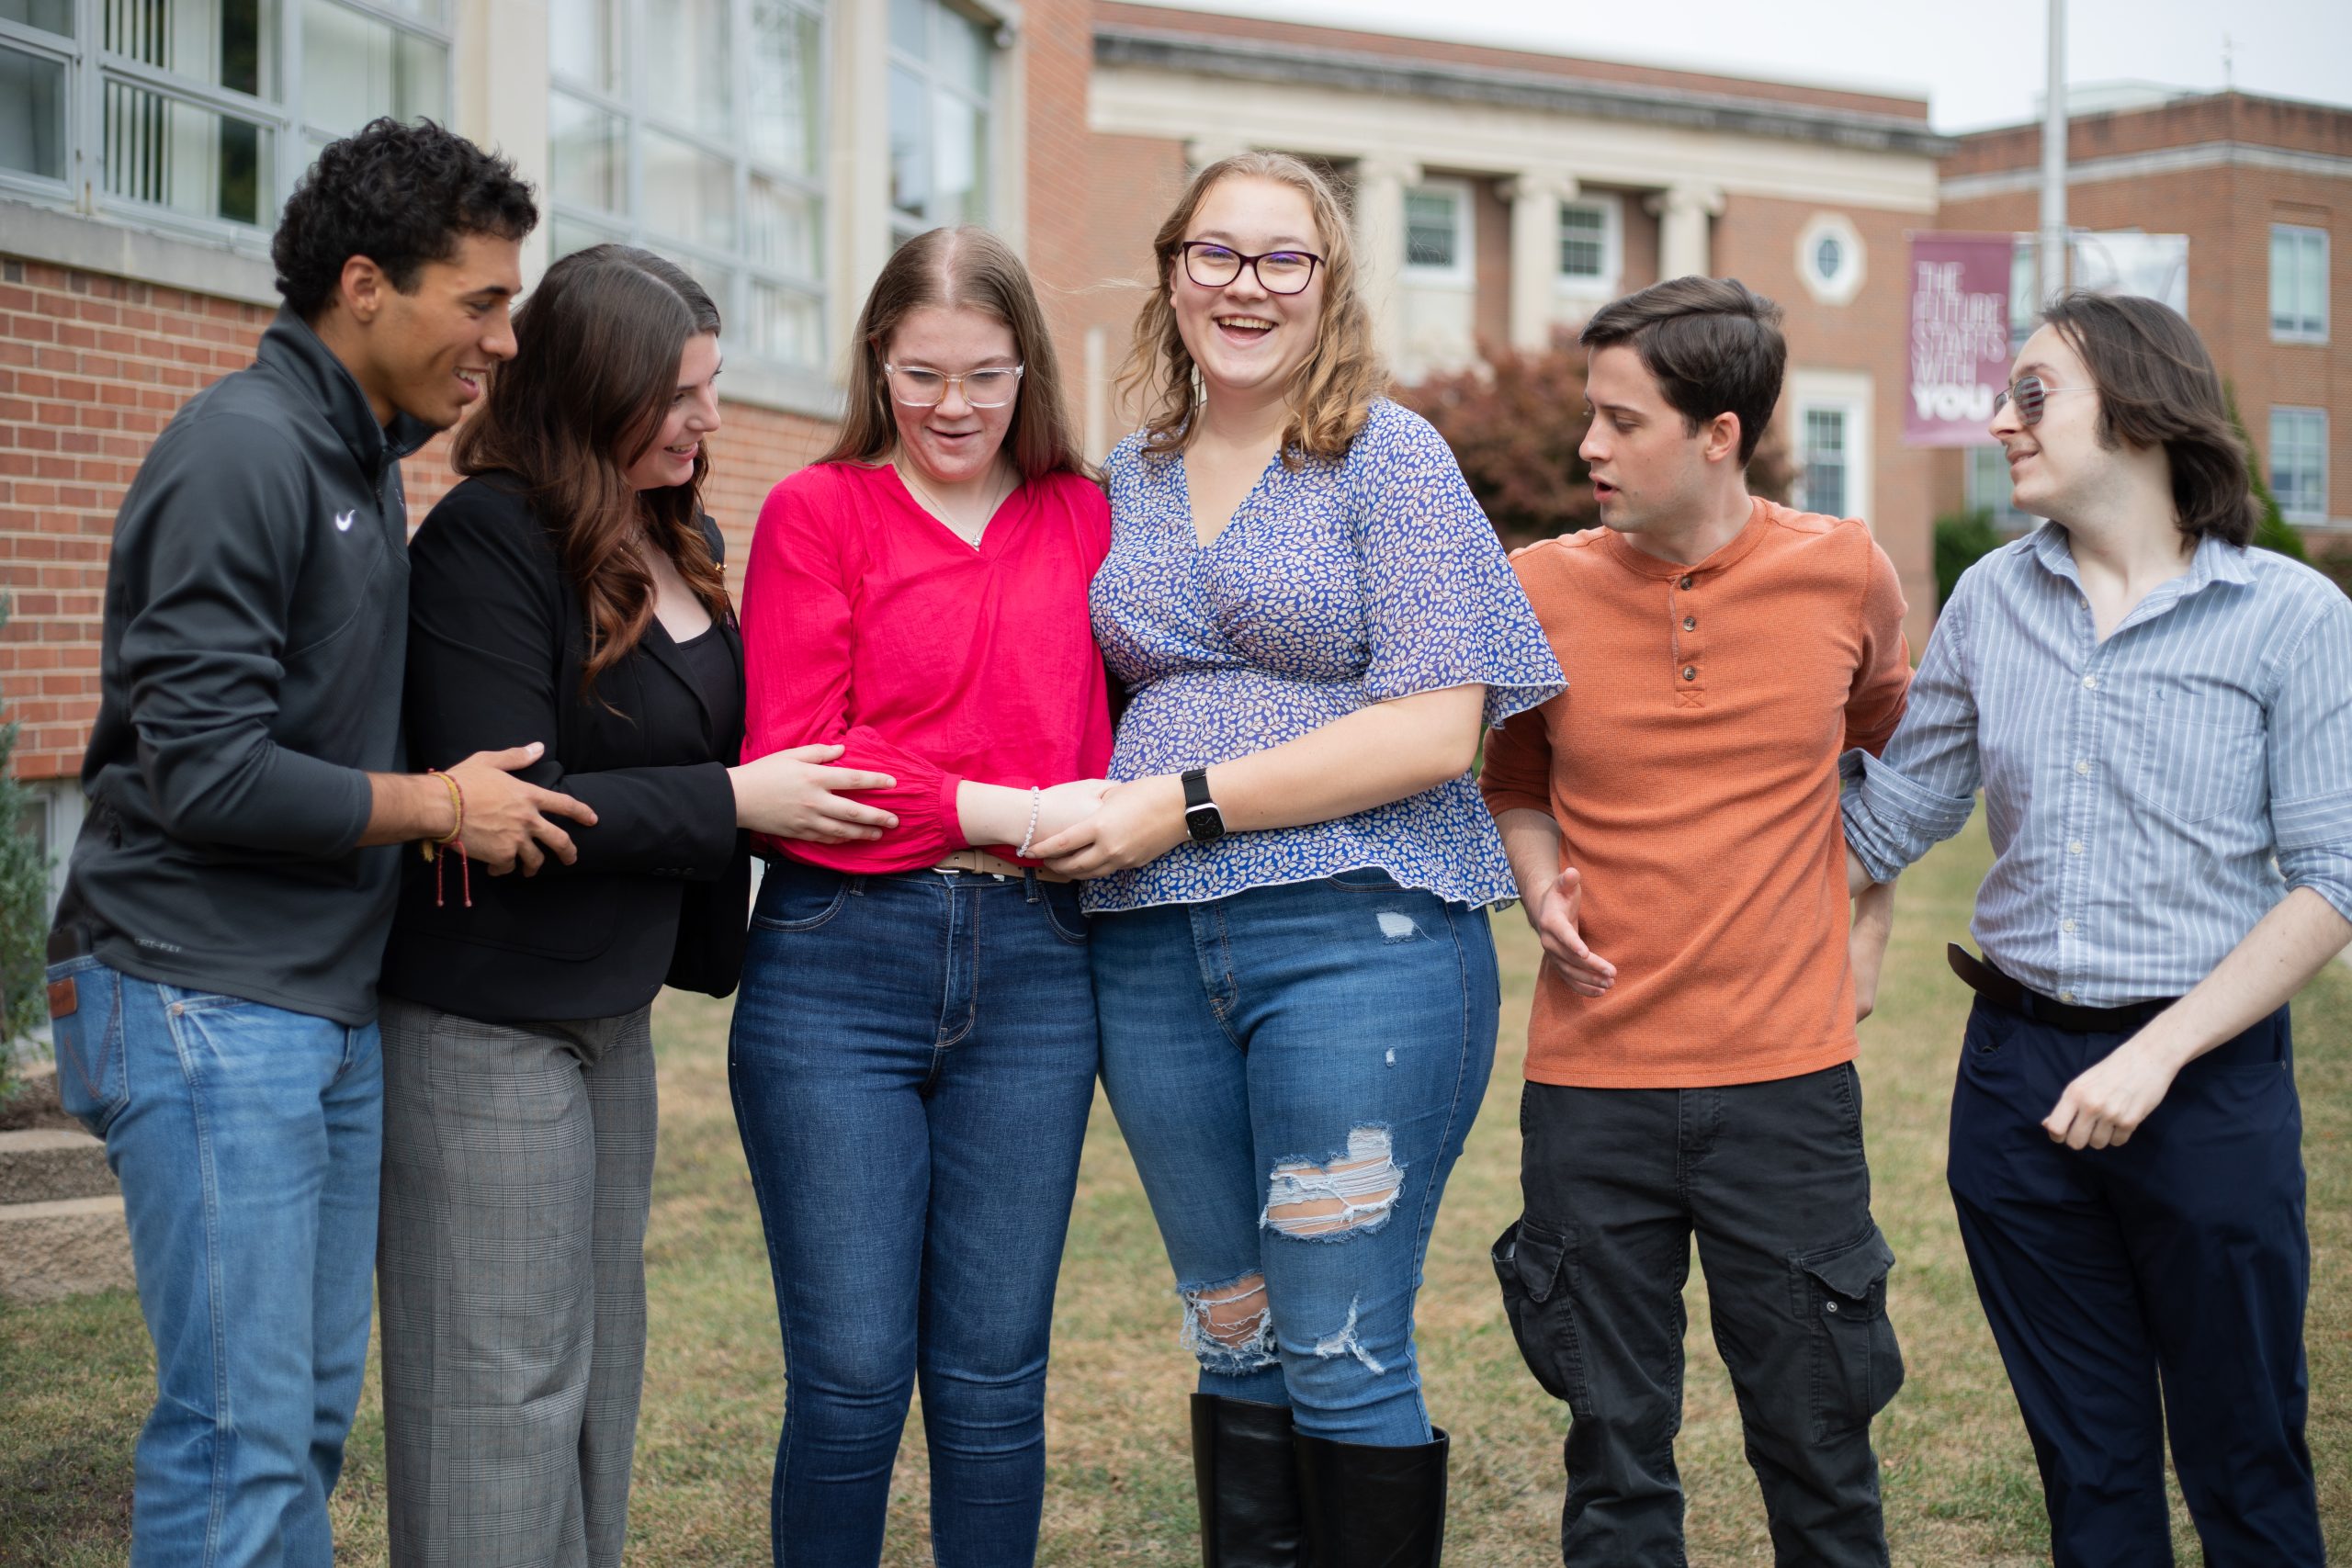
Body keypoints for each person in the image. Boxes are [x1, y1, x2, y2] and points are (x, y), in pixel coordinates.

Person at [40, 119, 592, 1567]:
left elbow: (489, 417)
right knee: (241, 1444)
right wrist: (437, 802)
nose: (505, 339)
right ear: (364, 284)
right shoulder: (241, 454)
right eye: (480, 301)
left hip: (306, 1003)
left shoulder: (352, 451)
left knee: (296, 1432)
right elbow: (206, 774)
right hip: (200, 991)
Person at [1029, 150, 1563, 1566]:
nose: (1246, 285)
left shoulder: (1387, 459)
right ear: (1170, 271)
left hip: (1357, 940)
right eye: (1217, 254)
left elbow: (1441, 729)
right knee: (1234, 1333)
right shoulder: (1119, 482)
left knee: (1334, 1342)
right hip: (1148, 953)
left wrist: (1176, 804)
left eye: (1284, 259)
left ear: (1328, 287)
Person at [370, 244, 894, 1567]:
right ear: (591, 393)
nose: (707, 421)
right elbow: (519, 804)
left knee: (600, 1374)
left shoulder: (681, 533)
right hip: (484, 1019)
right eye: (679, 397)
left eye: (710, 389)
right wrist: (737, 801)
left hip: (610, 1010)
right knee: (500, 1390)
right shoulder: (485, 540)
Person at [1842, 291, 2351, 1568]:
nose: (1999, 421)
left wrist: (2159, 1053)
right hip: (2016, 1087)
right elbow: (1890, 821)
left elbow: (2334, 879)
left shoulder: (2291, 617)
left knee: (2245, 1461)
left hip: (2205, 1087)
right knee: (2089, 1468)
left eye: (2031, 394)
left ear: (2134, 406)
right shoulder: (1990, 600)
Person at [1477, 276, 1912, 1568]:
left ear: (1719, 433)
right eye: (1587, 416)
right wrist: (1536, 874)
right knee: (1614, 1460)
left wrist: (1870, 927)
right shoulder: (1535, 588)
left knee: (1821, 1442)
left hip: (1787, 1087)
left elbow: (1900, 761)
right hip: (1591, 1085)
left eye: (1621, 421)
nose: (1587, 447)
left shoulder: (1846, 571)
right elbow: (1512, 778)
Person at [727, 225, 1114, 1568]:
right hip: (840, 964)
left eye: (987, 376)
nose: (954, 407)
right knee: (848, 1376)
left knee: (997, 1381)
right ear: (876, 364)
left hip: (1038, 970)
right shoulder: (817, 513)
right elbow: (806, 764)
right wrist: (999, 810)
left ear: (1030, 372)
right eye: (922, 374)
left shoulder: (1085, 514)